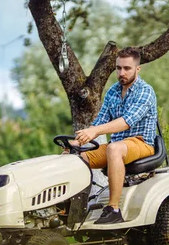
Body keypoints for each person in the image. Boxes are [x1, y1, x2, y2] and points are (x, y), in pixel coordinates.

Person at [67, 47, 157, 224]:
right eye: (118, 68)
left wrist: (94, 131)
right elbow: (99, 122)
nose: (121, 72)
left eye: (127, 68)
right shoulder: (113, 92)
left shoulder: (145, 91)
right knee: (73, 156)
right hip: (118, 145)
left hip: (141, 143)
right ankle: (68, 210)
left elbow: (126, 122)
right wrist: (76, 142)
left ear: (137, 69)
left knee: (114, 149)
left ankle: (113, 209)